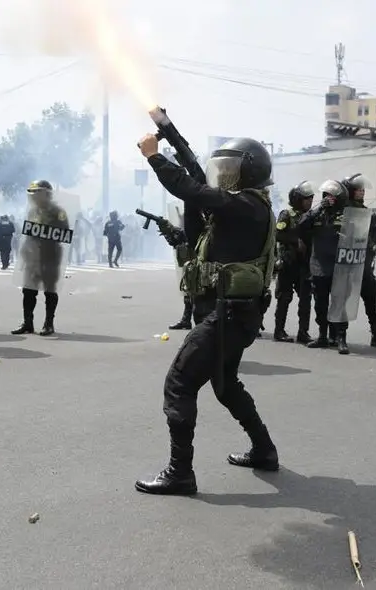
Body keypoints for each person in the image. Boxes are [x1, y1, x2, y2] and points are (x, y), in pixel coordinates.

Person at [134, 134, 279, 496]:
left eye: (229, 169)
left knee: (179, 383)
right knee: (225, 384)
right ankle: (264, 449)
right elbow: (197, 190)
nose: (223, 175)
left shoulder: (247, 206)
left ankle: (180, 472)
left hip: (227, 316)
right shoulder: (242, 206)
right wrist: (174, 140)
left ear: (248, 172)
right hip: (233, 315)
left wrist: (155, 157)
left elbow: (193, 189)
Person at [342, 173, 376, 349]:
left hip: (364, 264)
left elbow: (374, 237)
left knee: (372, 298)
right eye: (358, 189)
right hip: (346, 264)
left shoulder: (367, 213)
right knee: (343, 301)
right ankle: (340, 337)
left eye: (363, 189)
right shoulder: (342, 212)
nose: (362, 192)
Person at [11, 180, 70, 336]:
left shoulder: (58, 212)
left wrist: (46, 232)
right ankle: (27, 323)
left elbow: (64, 233)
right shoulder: (32, 212)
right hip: (33, 257)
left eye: (36, 193)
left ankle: (48, 324)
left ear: (46, 194)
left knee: (50, 291)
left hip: (50, 256)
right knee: (28, 291)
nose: (33, 196)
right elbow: (28, 234)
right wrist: (24, 251)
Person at [297, 179, 348, 351]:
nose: (329, 198)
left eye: (333, 196)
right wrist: (318, 208)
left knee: (339, 304)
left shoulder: (346, 214)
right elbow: (301, 225)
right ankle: (322, 336)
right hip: (319, 265)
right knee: (320, 304)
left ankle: (341, 338)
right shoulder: (317, 213)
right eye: (326, 195)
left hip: (339, 265)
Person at [272, 181, 314, 343]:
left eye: (311, 198)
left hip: (304, 264)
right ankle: (279, 331)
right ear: (297, 199)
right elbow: (278, 234)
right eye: (306, 199)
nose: (310, 201)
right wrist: (295, 241)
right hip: (288, 263)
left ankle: (303, 333)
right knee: (284, 298)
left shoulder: (311, 216)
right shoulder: (287, 215)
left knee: (305, 299)